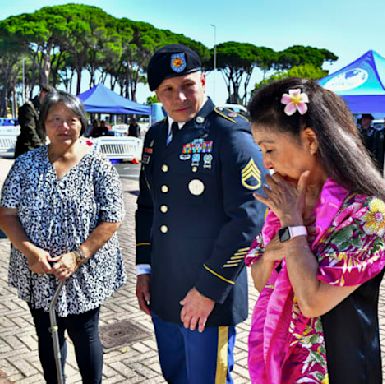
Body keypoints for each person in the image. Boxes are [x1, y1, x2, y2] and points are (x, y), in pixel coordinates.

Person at [245, 78, 385, 383]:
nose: (266, 163)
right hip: (280, 365)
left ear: (310, 139)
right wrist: (273, 251)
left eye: (269, 149)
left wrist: (293, 228)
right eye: (260, 150)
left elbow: (312, 301)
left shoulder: (364, 212)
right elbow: (260, 280)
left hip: (339, 367)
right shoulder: (287, 197)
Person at [135, 44, 266, 383]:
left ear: (203, 82)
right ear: (157, 95)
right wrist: (144, 270)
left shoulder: (229, 132)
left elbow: (248, 217)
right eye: (168, 89)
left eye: (187, 85)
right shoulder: (155, 137)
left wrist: (208, 290)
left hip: (208, 295)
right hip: (165, 291)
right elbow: (148, 207)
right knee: (176, 375)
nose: (179, 96)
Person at [0, 90, 126, 383]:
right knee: (47, 336)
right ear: (44, 124)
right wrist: (30, 251)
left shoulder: (98, 167)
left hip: (84, 271)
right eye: (55, 119)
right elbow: (6, 215)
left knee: (86, 335)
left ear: (82, 123)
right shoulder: (26, 164)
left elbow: (112, 218)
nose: (63, 126)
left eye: (71, 119)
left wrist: (77, 255)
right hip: (37, 270)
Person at [14, 84, 54, 158]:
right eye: (48, 96)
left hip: (38, 148)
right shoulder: (28, 107)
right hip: (27, 149)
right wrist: (39, 146)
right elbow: (29, 129)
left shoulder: (43, 109)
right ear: (42, 93)